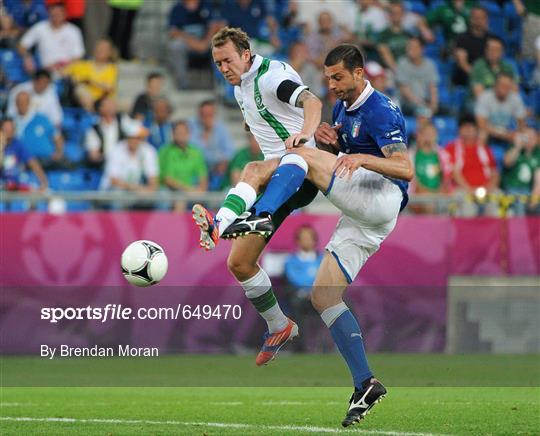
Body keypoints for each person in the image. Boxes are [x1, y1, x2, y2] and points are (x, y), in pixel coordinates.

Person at [223, 44, 413, 427]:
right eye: (327, 78)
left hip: (381, 196)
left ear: (360, 73)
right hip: (364, 217)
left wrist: (359, 158)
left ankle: (261, 214)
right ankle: (365, 383)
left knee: (302, 156)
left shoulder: (381, 109)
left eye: (338, 77)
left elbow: (405, 168)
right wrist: (334, 142)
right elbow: (345, 149)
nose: (331, 85)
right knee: (323, 296)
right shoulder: (344, 107)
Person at [191, 27, 322, 368]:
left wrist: (305, 133)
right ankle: (280, 325)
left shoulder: (270, 77)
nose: (223, 68)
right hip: (279, 180)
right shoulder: (240, 89)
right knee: (239, 264)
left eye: (227, 60)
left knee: (251, 169)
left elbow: (312, 100)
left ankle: (219, 223)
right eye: (218, 63)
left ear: (246, 54)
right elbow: (262, 121)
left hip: (302, 168)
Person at [445, 114, 499, 216]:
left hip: (487, 189)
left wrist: (489, 188)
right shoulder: (451, 148)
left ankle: (494, 232)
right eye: (465, 127)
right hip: (463, 189)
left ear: (476, 130)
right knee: (467, 209)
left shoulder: (485, 149)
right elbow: (453, 173)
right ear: (459, 130)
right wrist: (469, 190)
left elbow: (494, 173)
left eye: (471, 127)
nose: (468, 130)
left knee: (497, 202)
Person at [100, 120, 159, 208]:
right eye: (134, 137)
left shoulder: (148, 150)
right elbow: (113, 180)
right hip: (115, 190)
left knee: (160, 197)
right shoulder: (116, 150)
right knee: (118, 196)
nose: (137, 140)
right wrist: (135, 188)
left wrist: (147, 190)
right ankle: (118, 221)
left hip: (137, 191)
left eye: (140, 137)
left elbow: (153, 180)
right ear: (128, 138)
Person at [18, 1, 85, 74]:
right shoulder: (39, 28)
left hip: (68, 72)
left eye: (59, 14)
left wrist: (62, 67)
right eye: (54, 14)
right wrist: (27, 58)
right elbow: (22, 46)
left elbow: (78, 56)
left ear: (65, 14)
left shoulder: (74, 30)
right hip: (45, 73)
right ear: (49, 13)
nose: (56, 16)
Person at [475, 72, 527, 166]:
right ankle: (479, 162)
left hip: (506, 132)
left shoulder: (515, 99)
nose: (504, 89)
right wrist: (504, 134)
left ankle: (519, 168)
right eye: (502, 85)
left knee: (524, 137)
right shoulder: (485, 97)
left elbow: (522, 124)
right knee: (482, 134)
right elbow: (481, 124)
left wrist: (519, 134)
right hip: (489, 132)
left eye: (508, 86)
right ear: (495, 85)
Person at [167, 0, 220, 90]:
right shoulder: (177, 8)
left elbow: (215, 25)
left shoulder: (207, 4)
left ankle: (219, 86)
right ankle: (182, 84)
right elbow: (172, 31)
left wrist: (205, 43)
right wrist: (194, 42)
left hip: (206, 42)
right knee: (176, 46)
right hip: (187, 43)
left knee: (220, 46)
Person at [158, 120, 208, 210]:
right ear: (173, 134)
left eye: (184, 132)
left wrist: (200, 190)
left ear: (189, 134)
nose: (181, 135)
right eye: (178, 132)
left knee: (211, 199)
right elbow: (168, 180)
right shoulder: (166, 151)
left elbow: (203, 177)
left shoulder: (196, 152)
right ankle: (176, 224)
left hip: (192, 190)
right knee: (179, 199)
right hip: (171, 191)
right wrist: (188, 190)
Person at [189, 99, 234, 190]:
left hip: (216, 170)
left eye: (210, 114)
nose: (207, 117)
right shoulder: (192, 126)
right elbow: (194, 151)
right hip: (197, 170)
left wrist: (223, 161)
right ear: (199, 115)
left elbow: (230, 152)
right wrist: (207, 133)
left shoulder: (221, 128)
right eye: (204, 115)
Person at [13, 90, 64, 168]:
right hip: (23, 161)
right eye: (19, 102)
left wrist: (59, 153)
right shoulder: (12, 122)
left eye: (24, 101)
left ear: (29, 102)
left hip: (46, 161)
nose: (21, 104)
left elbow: (57, 137)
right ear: (15, 104)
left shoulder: (41, 119)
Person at [64, 38, 118, 111]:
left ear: (109, 53)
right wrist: (75, 79)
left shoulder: (112, 68)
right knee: (80, 89)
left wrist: (90, 81)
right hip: (85, 99)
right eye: (99, 48)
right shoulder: (82, 65)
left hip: (103, 99)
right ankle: (93, 113)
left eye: (104, 49)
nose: (100, 51)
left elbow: (109, 87)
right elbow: (65, 73)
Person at [1, 117, 48, 192]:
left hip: (15, 185)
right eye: (6, 129)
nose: (9, 131)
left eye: (11, 128)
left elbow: (32, 163)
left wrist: (44, 182)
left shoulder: (18, 145)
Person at [396, 37, 439, 116]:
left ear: (422, 49)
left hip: (425, 101)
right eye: (409, 47)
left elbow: (433, 87)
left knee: (448, 111)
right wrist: (421, 104)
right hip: (407, 103)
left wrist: (434, 105)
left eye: (414, 47)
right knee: (421, 111)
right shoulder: (402, 63)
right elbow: (404, 89)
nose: (410, 50)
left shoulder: (430, 65)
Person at [502, 127, 540, 215]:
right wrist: (518, 147)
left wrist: (534, 197)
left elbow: (538, 181)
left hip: (529, 190)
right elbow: (507, 162)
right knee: (519, 203)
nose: (530, 139)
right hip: (512, 189)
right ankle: (519, 229)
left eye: (533, 137)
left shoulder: (538, 153)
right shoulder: (514, 149)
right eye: (527, 137)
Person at [84, 96, 129, 166]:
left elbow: (138, 132)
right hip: (105, 165)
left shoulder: (123, 121)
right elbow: (94, 155)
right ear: (100, 109)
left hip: (125, 162)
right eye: (108, 105)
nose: (112, 107)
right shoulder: (94, 129)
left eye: (113, 104)